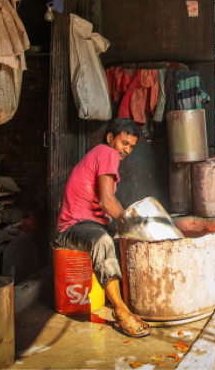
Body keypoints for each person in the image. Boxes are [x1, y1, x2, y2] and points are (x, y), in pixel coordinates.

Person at [54, 118, 150, 338]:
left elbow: (108, 206)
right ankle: (120, 310)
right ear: (110, 138)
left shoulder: (102, 155)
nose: (127, 150)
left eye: (131, 146)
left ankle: (126, 298)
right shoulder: (107, 153)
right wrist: (136, 225)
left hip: (90, 224)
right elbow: (107, 201)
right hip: (73, 226)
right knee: (103, 241)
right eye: (124, 143)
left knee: (121, 237)